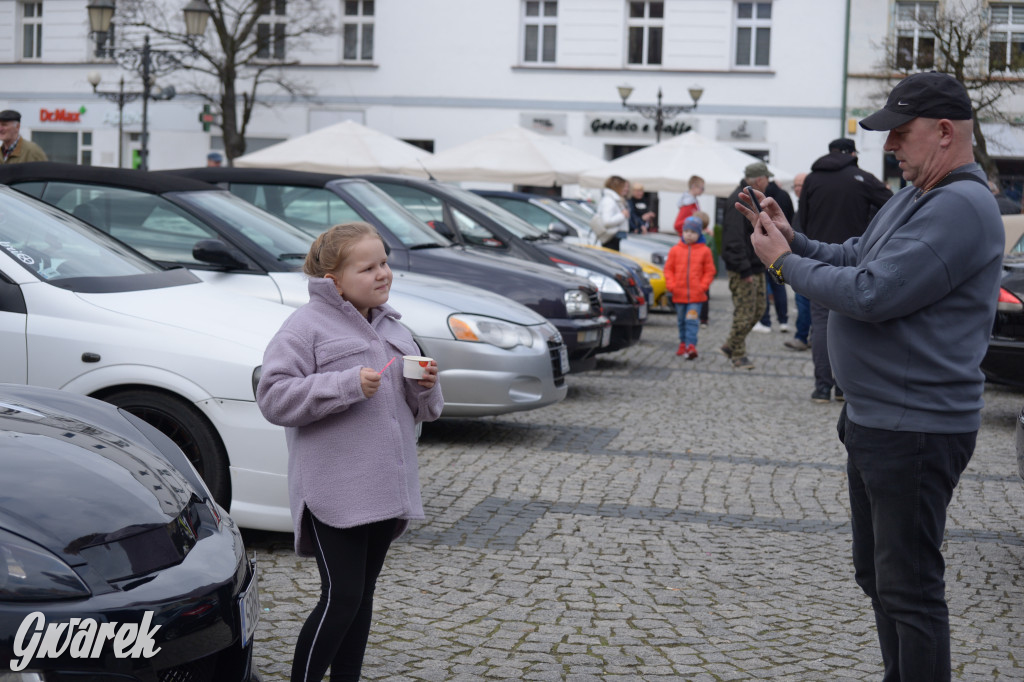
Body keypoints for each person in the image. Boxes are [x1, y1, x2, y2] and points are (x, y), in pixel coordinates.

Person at [738, 71, 1003, 682]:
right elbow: (857, 255)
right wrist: (795, 240)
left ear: (944, 132)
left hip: (915, 428)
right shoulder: (919, 195)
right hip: (879, 419)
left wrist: (783, 266)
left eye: (901, 133)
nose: (889, 146)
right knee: (879, 578)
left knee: (909, 590)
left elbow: (871, 293)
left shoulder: (961, 205)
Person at [255, 221, 444, 682]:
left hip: (383, 488)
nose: (383, 274)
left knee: (360, 598)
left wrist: (425, 386)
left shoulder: (394, 328)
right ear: (334, 281)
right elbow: (274, 398)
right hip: (334, 492)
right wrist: (345, 385)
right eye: (368, 267)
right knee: (340, 598)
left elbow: (427, 411)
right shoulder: (304, 328)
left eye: (384, 263)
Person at [799, 136, 893, 402]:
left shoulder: (812, 179)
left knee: (820, 324)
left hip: (818, 258)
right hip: (854, 260)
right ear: (852, 154)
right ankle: (843, 387)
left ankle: (821, 387)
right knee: (850, 323)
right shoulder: (862, 179)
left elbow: (802, 220)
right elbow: (893, 206)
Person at [719, 161, 771, 370]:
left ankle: (729, 346)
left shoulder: (751, 198)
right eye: (767, 178)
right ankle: (738, 354)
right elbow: (733, 239)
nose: (768, 182)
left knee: (758, 310)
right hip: (743, 268)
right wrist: (743, 268)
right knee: (745, 312)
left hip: (755, 265)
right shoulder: (738, 200)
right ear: (759, 180)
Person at [664, 216, 716, 359]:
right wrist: (671, 285)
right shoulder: (675, 250)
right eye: (686, 231)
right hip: (678, 294)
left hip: (696, 296)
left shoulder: (705, 251)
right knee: (681, 321)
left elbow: (710, 271)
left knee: (692, 321)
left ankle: (691, 345)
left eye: (693, 232)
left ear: (699, 233)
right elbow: (668, 270)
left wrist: (703, 286)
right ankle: (683, 343)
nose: (689, 235)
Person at [752, 171, 795, 333]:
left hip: (768, 245)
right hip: (784, 244)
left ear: (760, 179)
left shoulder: (762, 197)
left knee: (764, 286)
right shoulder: (784, 195)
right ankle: (783, 321)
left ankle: (765, 322)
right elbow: (790, 219)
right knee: (779, 285)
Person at [784, 172, 812, 351]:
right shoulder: (800, 207)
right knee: (803, 303)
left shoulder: (810, 207)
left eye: (800, 184)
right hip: (800, 261)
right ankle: (805, 336)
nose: (797, 188)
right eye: (795, 185)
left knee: (804, 302)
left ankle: (803, 337)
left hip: (808, 261)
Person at [591, 175, 630, 250]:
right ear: (617, 186)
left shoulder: (615, 199)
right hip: (612, 237)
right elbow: (607, 221)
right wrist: (622, 215)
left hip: (614, 237)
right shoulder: (609, 200)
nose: (627, 189)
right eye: (624, 186)